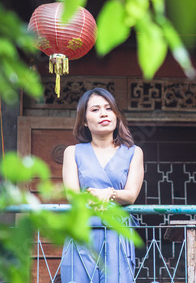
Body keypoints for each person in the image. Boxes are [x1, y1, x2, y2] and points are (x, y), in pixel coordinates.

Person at [60, 87, 144, 283]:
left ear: (116, 116)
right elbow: (73, 196)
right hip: (82, 229)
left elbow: (131, 195)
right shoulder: (72, 152)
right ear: (83, 120)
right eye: (95, 110)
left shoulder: (133, 152)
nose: (103, 114)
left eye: (108, 108)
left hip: (117, 232)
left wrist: (110, 194)